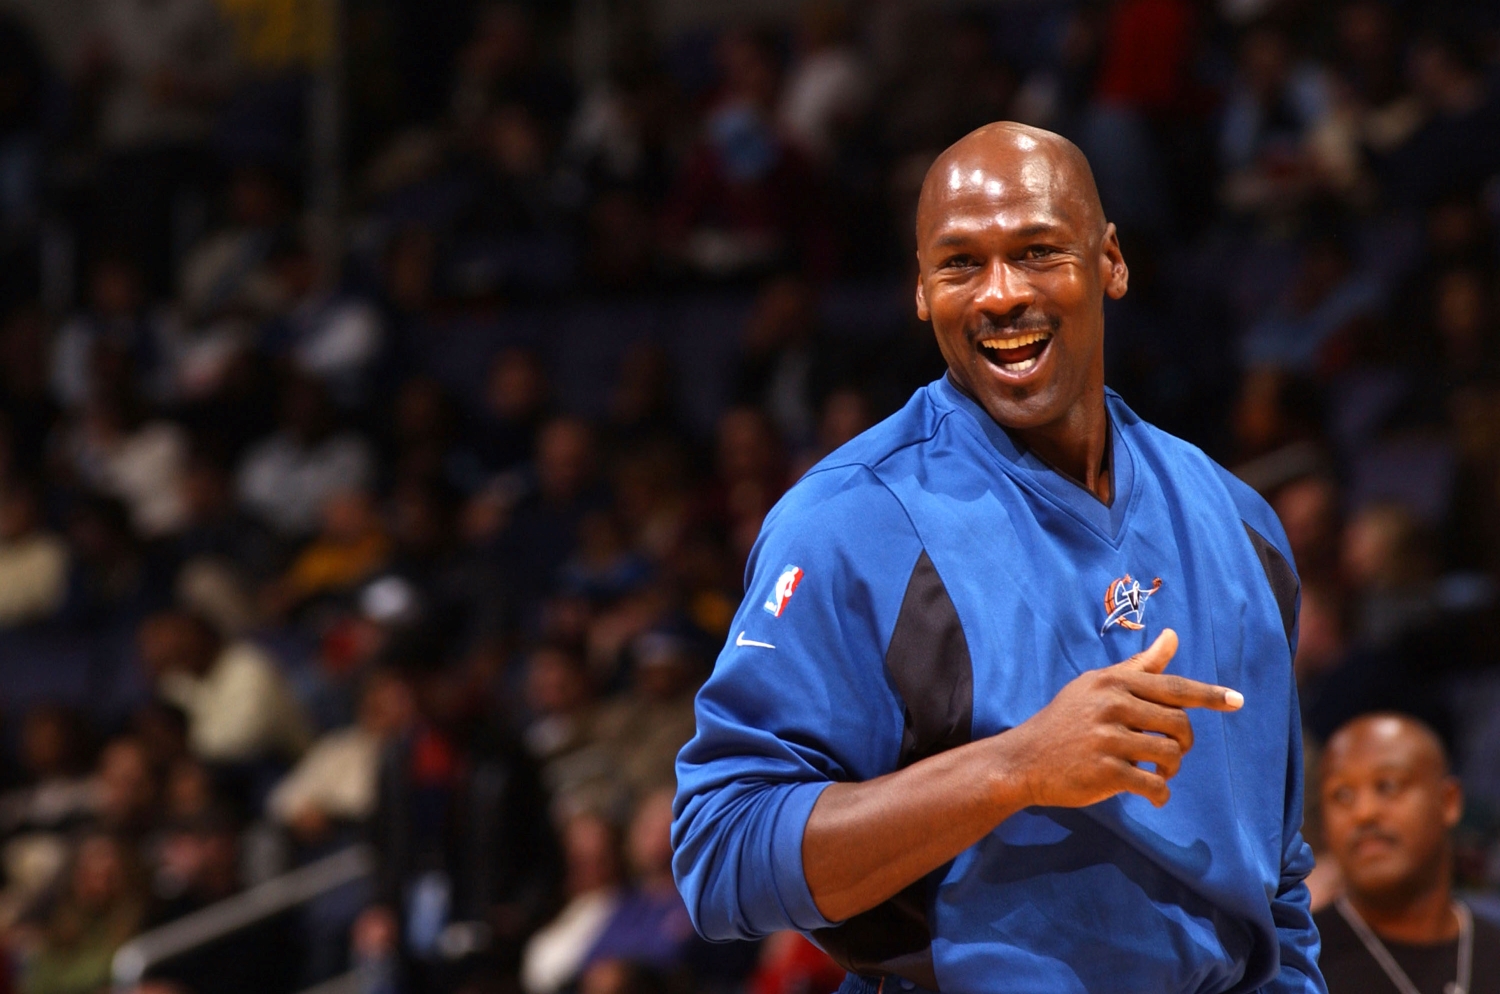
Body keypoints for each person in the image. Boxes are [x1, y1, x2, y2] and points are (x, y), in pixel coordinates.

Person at [672, 122, 1322, 994]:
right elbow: (722, 857)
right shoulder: (847, 525)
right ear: (918, 291)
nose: (999, 294)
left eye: (1037, 250)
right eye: (960, 264)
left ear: (1112, 263)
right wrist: (1014, 769)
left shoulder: (1241, 527)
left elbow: (1276, 886)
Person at [1314, 712, 1500, 994]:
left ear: (1448, 801)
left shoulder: (1491, 949)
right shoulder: (1295, 963)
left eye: (1388, 785)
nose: (1364, 813)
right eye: (1341, 795)